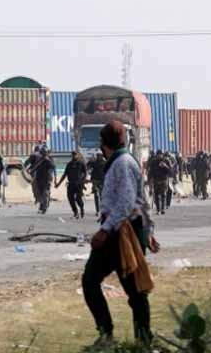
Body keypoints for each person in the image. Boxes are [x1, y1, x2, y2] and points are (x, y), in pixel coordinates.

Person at [82, 121, 160, 348]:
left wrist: (105, 231)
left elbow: (127, 202)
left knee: (136, 291)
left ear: (103, 143)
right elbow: (141, 199)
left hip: (123, 233)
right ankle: (106, 334)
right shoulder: (119, 162)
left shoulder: (123, 163)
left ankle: (143, 340)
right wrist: (150, 229)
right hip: (117, 231)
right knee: (90, 281)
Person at [56, 151, 88, 219]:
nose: (74, 156)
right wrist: (59, 183)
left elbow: (85, 173)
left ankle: (81, 208)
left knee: (78, 198)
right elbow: (64, 174)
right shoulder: (69, 164)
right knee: (70, 198)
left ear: (78, 155)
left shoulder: (81, 163)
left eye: (75, 155)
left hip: (79, 184)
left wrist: (83, 180)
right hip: (71, 183)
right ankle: (75, 212)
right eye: (73, 155)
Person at [29, 147, 56, 214]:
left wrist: (55, 179)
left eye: (43, 153)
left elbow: (53, 168)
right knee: (40, 193)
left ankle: (44, 207)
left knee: (45, 193)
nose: (42, 154)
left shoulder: (49, 160)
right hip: (39, 179)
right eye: (41, 153)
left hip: (46, 179)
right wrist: (31, 171)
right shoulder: (39, 160)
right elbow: (35, 167)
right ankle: (42, 206)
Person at [88, 151, 107, 216]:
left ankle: (102, 210)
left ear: (102, 156)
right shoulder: (94, 162)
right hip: (95, 181)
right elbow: (88, 167)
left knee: (102, 196)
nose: (98, 157)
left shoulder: (105, 163)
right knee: (96, 195)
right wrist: (90, 161)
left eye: (100, 155)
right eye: (97, 155)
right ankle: (97, 210)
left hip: (102, 181)